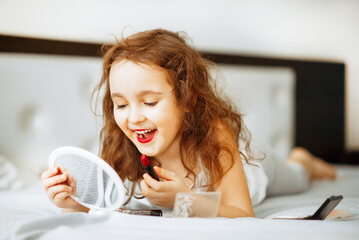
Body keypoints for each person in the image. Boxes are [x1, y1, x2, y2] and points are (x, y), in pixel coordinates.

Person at [41, 29, 336, 218]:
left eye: (150, 102)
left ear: (188, 99)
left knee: (296, 178)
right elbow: (110, 203)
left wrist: (184, 199)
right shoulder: (120, 142)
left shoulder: (216, 133)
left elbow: (242, 213)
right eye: (121, 104)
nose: (132, 118)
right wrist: (74, 201)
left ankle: (302, 160)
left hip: (256, 169)